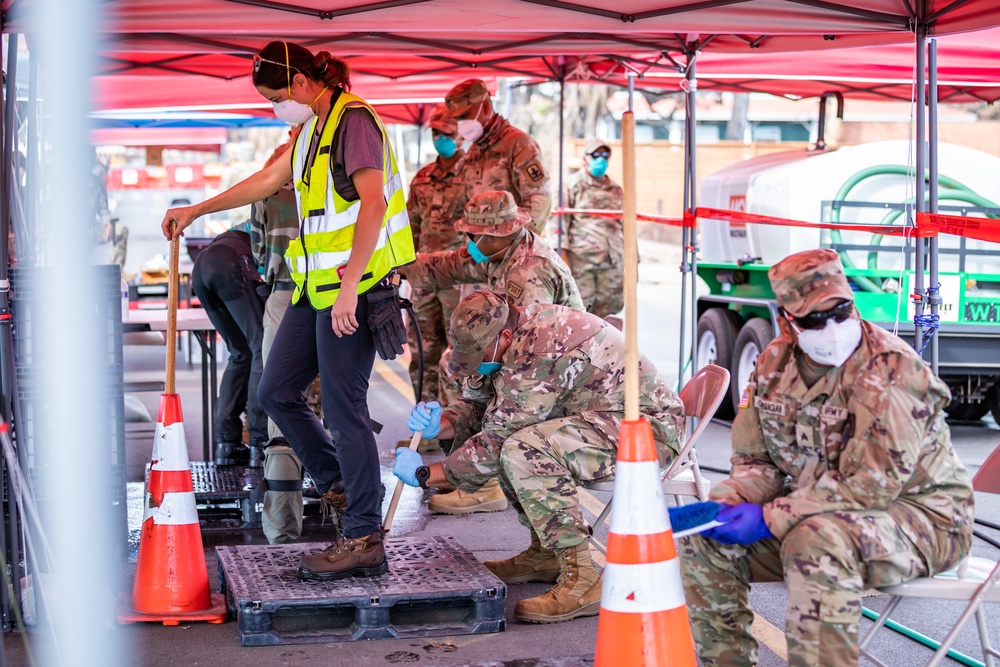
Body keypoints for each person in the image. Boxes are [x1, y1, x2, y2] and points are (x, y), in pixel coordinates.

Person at [161, 40, 415, 580]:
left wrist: (350, 292)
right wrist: (196, 210)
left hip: (357, 287)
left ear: (302, 82)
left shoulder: (355, 122)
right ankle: (342, 487)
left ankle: (364, 535)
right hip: (312, 287)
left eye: (278, 97)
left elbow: (373, 204)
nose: (277, 108)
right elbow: (268, 181)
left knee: (345, 411)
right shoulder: (308, 132)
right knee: (276, 391)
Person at [678, 248, 975, 667]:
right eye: (817, 318)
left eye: (842, 310)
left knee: (814, 541)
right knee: (704, 543)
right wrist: (726, 503)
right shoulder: (773, 363)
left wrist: (767, 517)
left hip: (923, 519)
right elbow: (756, 462)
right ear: (788, 321)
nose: (834, 327)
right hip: (818, 511)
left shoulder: (892, 369)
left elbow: (871, 485)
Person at [392, 290, 686, 624]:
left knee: (522, 448)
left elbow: (498, 438)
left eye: (478, 353)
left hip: (646, 430)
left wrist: (427, 475)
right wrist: (441, 423)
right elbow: (480, 404)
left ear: (503, 336)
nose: (476, 361)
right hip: (602, 418)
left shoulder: (541, 347)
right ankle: (546, 554)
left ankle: (584, 579)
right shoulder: (505, 335)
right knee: (515, 442)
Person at [404, 189, 583, 515]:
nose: (468, 241)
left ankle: (483, 483)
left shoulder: (527, 273)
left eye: (472, 235)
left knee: (475, 371)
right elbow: (451, 264)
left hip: (554, 377)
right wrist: (400, 267)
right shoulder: (502, 251)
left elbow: (524, 354)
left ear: (496, 234)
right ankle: (462, 468)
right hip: (535, 361)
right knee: (456, 363)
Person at [246, 137, 319, 545]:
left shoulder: (267, 191)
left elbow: (259, 252)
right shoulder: (335, 181)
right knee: (339, 414)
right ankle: (351, 525)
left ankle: (283, 532)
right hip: (336, 301)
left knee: (283, 415)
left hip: (285, 298)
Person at [405, 104, 471, 404]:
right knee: (422, 354)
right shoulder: (422, 178)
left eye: (445, 132)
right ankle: (426, 427)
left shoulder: (474, 174)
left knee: (463, 354)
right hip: (423, 281)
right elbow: (410, 228)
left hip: (461, 280)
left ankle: (459, 424)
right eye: (434, 132)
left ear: (459, 136)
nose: (438, 137)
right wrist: (404, 269)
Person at [190, 223, 268, 466]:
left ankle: (228, 443)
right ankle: (260, 442)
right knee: (262, 346)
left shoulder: (259, 214)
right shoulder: (287, 214)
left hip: (204, 265)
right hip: (230, 261)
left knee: (241, 352)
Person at [444, 79, 551, 234]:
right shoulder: (474, 151)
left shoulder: (519, 144)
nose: (462, 123)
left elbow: (539, 201)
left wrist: (512, 243)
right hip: (482, 251)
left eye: (465, 115)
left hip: (514, 251)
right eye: (458, 119)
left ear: (486, 106)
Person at [562, 138, 624, 319]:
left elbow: (626, 225)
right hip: (581, 263)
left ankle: (606, 347)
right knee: (579, 312)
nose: (601, 159)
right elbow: (559, 225)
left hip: (612, 262)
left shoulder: (616, 189)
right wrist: (562, 259)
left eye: (606, 155)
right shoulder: (571, 185)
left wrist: (632, 260)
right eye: (596, 155)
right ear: (585, 158)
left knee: (609, 314)